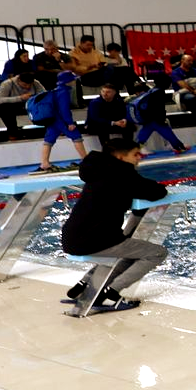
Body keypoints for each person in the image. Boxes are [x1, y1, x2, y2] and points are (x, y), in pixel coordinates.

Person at [60, 134, 169, 313]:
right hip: (95, 240)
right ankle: (112, 292)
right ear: (120, 157)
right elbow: (156, 191)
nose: (139, 158)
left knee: (128, 249)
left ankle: (85, 285)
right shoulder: (121, 173)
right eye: (135, 154)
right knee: (157, 253)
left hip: (72, 237)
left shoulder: (97, 170)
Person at [130, 85, 189, 155]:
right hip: (153, 119)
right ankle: (178, 146)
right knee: (165, 130)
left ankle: (137, 148)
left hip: (149, 119)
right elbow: (157, 108)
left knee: (146, 132)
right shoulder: (151, 94)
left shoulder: (143, 97)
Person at [84, 82, 133, 148]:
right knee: (102, 127)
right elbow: (95, 118)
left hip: (112, 123)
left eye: (108, 92)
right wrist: (114, 123)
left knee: (129, 125)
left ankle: (129, 148)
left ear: (114, 93)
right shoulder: (95, 102)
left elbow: (124, 113)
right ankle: (106, 149)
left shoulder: (119, 101)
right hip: (95, 125)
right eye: (103, 91)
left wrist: (124, 120)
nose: (105, 94)